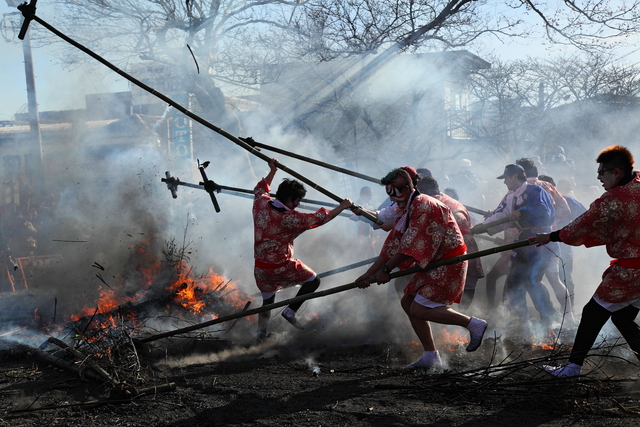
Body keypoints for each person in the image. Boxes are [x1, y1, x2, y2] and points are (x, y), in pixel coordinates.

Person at [354, 168, 487, 370]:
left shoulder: (423, 205)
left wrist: (386, 271)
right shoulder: (408, 207)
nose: (395, 202)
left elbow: (409, 247)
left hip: (450, 261)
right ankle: (431, 355)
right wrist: (369, 274)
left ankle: (473, 324)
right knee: (408, 302)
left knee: (419, 308)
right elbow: (393, 244)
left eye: (397, 196)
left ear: (407, 188)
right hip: (432, 263)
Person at [532, 145, 640, 377]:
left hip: (631, 271)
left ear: (617, 173)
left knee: (592, 313)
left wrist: (549, 236)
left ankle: (573, 367)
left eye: (602, 172)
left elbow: (580, 226)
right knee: (621, 317)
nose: (599, 177)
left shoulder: (614, 200)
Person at [254, 159, 353, 341]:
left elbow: (261, 187)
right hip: (280, 265)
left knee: (267, 301)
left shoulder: (260, 203)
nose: (298, 204)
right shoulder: (290, 218)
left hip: (260, 268)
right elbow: (320, 218)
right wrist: (342, 206)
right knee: (313, 281)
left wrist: (272, 171)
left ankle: (260, 334)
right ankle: (290, 311)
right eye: (298, 200)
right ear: (289, 198)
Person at [471, 164, 558, 329]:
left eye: (506, 178)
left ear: (515, 176)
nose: (504, 182)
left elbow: (544, 212)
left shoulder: (536, 191)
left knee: (531, 279)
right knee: (513, 280)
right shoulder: (511, 197)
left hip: (541, 239)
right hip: (524, 240)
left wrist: (523, 210)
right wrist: (479, 228)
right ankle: (522, 322)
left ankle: (549, 319)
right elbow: (500, 215)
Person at [516, 158, 575, 324]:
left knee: (531, 279)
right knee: (554, 279)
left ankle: (547, 316)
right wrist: (552, 226)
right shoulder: (549, 186)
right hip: (552, 236)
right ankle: (568, 316)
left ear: (523, 173)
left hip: (534, 242)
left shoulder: (523, 188)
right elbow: (566, 212)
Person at [417, 176, 484, 310]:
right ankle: (461, 318)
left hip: (449, 247)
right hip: (468, 244)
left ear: (422, 192)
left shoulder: (428, 203)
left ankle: (453, 321)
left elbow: (426, 232)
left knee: (442, 285)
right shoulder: (455, 202)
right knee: (468, 283)